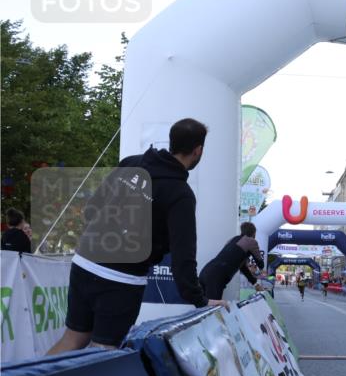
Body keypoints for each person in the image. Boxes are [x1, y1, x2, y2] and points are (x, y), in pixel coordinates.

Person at [47, 118, 221, 354]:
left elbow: (91, 209)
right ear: (198, 150)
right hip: (121, 278)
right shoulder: (181, 194)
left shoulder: (131, 163)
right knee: (103, 351)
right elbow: (184, 257)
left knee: (73, 338)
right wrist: (200, 300)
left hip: (84, 262)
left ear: (171, 141)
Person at [198, 222, 266, 299]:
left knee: (205, 305)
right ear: (254, 233)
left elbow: (242, 267)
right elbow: (260, 264)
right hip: (215, 276)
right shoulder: (251, 241)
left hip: (205, 272)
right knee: (214, 306)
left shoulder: (232, 239)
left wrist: (255, 284)